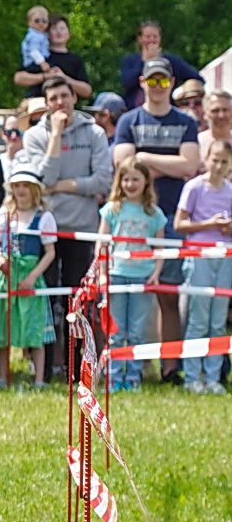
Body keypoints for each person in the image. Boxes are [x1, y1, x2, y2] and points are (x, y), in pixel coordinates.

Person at [113, 56, 201, 380]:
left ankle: (170, 367)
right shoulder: (128, 121)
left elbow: (190, 166)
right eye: (152, 81)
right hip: (132, 218)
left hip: (172, 218)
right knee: (125, 293)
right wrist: (168, 162)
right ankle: (123, 366)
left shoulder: (186, 121)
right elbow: (122, 164)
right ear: (142, 84)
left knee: (168, 294)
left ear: (172, 83)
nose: (158, 86)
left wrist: (144, 158)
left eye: (163, 80)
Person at [22, 74, 111, 378]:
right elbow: (41, 181)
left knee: (77, 299)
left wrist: (63, 186)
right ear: (46, 105)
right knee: (46, 301)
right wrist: (56, 137)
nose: (60, 103)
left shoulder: (95, 133)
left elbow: (102, 181)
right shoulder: (34, 136)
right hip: (45, 228)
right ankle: (44, 370)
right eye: (53, 99)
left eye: (65, 96)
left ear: (75, 97)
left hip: (81, 228)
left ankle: (76, 369)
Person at [100, 160, 167, 391]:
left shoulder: (154, 213)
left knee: (137, 331)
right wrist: (101, 273)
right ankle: (114, 377)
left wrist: (156, 272)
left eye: (135, 179)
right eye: (126, 179)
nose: (130, 184)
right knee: (116, 331)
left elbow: (160, 247)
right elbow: (102, 244)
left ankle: (134, 376)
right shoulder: (112, 209)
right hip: (116, 274)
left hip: (142, 276)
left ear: (146, 181)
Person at [175, 138, 232, 392]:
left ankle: (213, 377)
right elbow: (180, 224)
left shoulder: (230, 190)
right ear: (206, 159)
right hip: (199, 255)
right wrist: (209, 223)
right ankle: (191, 376)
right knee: (198, 319)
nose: (218, 166)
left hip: (226, 256)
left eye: (224, 162)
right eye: (215, 160)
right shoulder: (194, 187)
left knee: (218, 320)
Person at [0, 169, 57, 388]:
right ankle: (2, 376)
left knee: (34, 326)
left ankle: (39, 379)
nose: (21, 190)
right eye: (17, 186)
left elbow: (50, 252)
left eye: (26, 186)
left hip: (30, 274)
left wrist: (32, 277)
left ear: (35, 190)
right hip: (7, 276)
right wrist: (0, 259)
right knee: (4, 326)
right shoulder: (3, 215)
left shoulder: (43, 217)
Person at [120, 21, 199, 111]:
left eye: (155, 37)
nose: (152, 40)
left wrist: (181, 93)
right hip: (134, 109)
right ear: (140, 39)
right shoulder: (130, 60)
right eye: (148, 37)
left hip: (167, 110)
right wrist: (144, 61)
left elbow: (196, 77)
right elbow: (128, 83)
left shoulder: (172, 61)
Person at [15, 15, 91, 99]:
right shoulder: (39, 56)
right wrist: (45, 77)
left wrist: (63, 78)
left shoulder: (75, 60)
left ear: (69, 34)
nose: (58, 32)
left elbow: (87, 91)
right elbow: (18, 78)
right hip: (38, 103)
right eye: (54, 29)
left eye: (62, 28)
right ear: (47, 34)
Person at [20, 5, 51, 72]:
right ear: (30, 23)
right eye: (37, 21)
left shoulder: (41, 35)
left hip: (40, 61)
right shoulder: (33, 36)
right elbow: (34, 51)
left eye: (44, 21)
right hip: (34, 62)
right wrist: (42, 63)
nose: (41, 23)